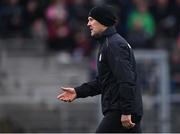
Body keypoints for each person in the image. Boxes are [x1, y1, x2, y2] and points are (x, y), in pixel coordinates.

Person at [57, 5, 143, 133]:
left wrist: (126, 111)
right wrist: (78, 92)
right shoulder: (108, 44)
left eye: (91, 19)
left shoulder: (113, 45)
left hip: (119, 111)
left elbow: (126, 79)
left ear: (102, 20)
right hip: (122, 110)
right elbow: (103, 82)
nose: (88, 24)